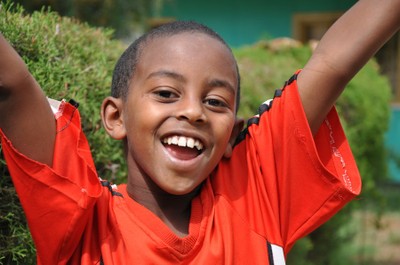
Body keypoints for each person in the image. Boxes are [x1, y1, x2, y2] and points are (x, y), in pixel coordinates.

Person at [1, 0, 399, 264]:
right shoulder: (85, 226)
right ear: (115, 117)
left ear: (232, 136)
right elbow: (12, 87)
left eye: (215, 102)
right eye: (166, 93)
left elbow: (333, 63)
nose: (192, 111)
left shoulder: (254, 197)